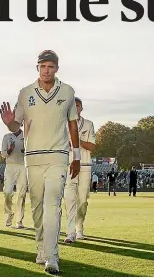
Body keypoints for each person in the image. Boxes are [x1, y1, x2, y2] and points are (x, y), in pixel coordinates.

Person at [0, 50, 80, 274]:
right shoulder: (25, 93)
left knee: (52, 205)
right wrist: (9, 124)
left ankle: (52, 257)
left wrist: (76, 156)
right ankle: (42, 249)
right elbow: (17, 126)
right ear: (37, 68)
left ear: (57, 68)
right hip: (33, 157)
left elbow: (72, 124)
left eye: (51, 67)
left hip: (58, 155)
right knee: (37, 208)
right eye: (43, 66)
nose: (47, 70)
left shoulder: (67, 91)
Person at [64, 97, 96, 243]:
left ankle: (79, 227)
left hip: (85, 165)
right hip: (68, 165)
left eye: (77, 106)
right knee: (69, 199)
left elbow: (92, 147)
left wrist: (77, 140)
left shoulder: (88, 124)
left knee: (82, 200)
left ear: (81, 108)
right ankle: (70, 232)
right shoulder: (62, 125)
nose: (75, 109)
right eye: (72, 106)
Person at [1, 126, 27, 229]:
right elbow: (3, 154)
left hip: (23, 166)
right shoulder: (7, 137)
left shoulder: (26, 135)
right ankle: (9, 214)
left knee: (21, 194)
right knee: (7, 192)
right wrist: (10, 149)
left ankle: (19, 220)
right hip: (10, 166)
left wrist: (25, 150)